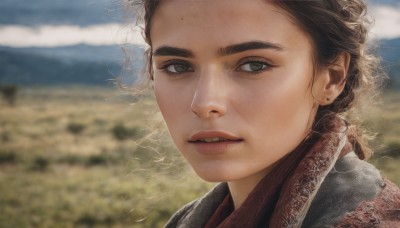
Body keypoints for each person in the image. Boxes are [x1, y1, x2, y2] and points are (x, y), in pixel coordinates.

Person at [128, 0, 400, 227]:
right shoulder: (189, 220)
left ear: (331, 77)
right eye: (177, 67)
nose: (204, 102)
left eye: (254, 65)